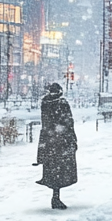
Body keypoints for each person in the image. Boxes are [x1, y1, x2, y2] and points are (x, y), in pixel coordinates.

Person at [35, 82, 77, 210]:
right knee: (61, 169)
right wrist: (72, 139)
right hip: (62, 141)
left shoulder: (45, 103)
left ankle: (55, 195)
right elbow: (68, 122)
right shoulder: (62, 104)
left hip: (49, 141)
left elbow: (47, 123)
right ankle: (56, 197)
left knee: (52, 169)